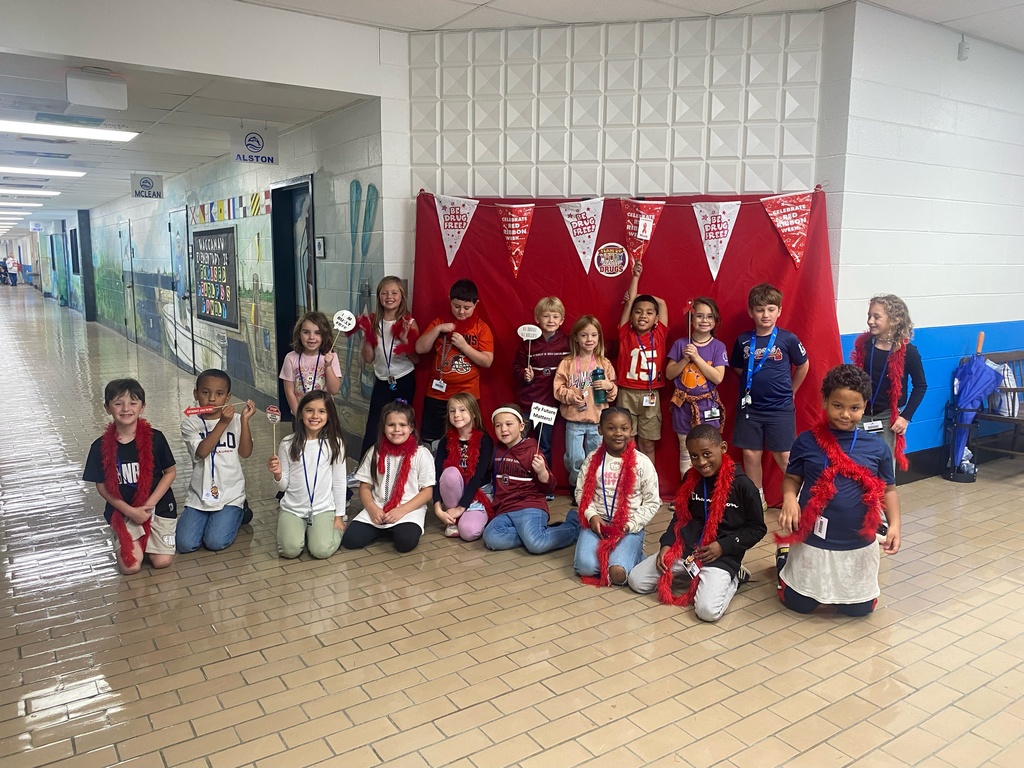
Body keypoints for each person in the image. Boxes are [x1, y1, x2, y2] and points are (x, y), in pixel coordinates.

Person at [776, 365, 902, 616]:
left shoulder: (876, 447)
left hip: (856, 542)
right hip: (813, 539)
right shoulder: (806, 441)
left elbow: (888, 489)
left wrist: (896, 524)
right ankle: (783, 557)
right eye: (837, 406)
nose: (845, 414)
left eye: (854, 408)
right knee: (799, 605)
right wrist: (790, 499)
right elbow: (791, 478)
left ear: (864, 406)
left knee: (858, 611)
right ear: (824, 401)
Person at [627, 424, 765, 622]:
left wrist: (723, 546)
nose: (701, 462)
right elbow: (680, 517)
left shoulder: (743, 485)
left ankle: (732, 579)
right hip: (686, 549)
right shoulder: (690, 479)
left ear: (723, 448)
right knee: (636, 581)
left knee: (707, 612)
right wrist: (667, 544)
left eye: (707, 454)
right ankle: (694, 574)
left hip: (721, 555)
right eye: (694, 456)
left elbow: (757, 528)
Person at [82, 379, 177, 574]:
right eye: (118, 403)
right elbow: (101, 486)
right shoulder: (99, 447)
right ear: (107, 408)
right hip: (123, 512)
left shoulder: (155, 439)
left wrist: (148, 506)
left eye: (133, 403)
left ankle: (148, 540)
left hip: (157, 508)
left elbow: (170, 472)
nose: (126, 408)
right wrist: (131, 512)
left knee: (162, 562)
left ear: (142, 407)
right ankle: (136, 540)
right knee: (131, 567)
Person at [729, 283, 809, 509]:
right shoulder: (742, 340)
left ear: (779, 311)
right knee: (751, 455)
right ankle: (757, 500)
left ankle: (801, 499)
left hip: (780, 408)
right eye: (760, 309)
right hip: (750, 408)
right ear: (751, 312)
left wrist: (791, 391)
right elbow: (737, 367)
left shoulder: (788, 339)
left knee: (784, 456)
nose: (765, 314)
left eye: (771, 309)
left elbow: (803, 366)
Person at [573, 407, 660, 586]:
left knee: (617, 574)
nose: (618, 433)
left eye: (624, 428)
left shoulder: (642, 463)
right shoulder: (592, 460)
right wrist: (592, 516)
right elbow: (581, 492)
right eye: (611, 428)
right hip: (597, 525)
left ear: (632, 430)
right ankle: (616, 553)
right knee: (586, 568)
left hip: (628, 527)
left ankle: (630, 552)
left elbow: (652, 502)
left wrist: (629, 526)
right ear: (600, 430)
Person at [482, 405, 581, 554]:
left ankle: (574, 526)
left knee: (536, 545)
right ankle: (531, 535)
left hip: (529, 506)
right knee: (491, 537)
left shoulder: (532, 451)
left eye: (509, 424)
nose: (503, 429)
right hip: (505, 508)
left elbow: (549, 487)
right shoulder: (497, 449)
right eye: (498, 425)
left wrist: (542, 472)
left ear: (521, 426)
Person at [176, 370, 255, 554]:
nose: (212, 398)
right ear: (196, 394)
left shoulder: (235, 420)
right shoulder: (190, 424)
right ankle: (216, 518)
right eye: (205, 392)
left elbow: (245, 452)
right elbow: (202, 452)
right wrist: (222, 423)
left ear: (227, 397)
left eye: (219, 394)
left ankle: (240, 509)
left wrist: (243, 420)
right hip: (200, 494)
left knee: (215, 542)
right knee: (185, 544)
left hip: (230, 494)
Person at [343, 400, 435, 553]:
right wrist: (372, 508)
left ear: (411, 427)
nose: (397, 429)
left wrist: (401, 511)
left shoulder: (421, 454)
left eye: (403, 425)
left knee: (405, 543)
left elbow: (427, 492)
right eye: (391, 425)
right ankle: (381, 529)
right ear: (383, 428)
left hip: (408, 510)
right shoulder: (375, 451)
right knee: (351, 540)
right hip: (378, 507)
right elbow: (365, 487)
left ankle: (395, 529)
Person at [850, 294, 927, 472]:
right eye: (869, 316)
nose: (870, 321)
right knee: (855, 461)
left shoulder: (909, 352)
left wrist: (905, 417)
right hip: (860, 413)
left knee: (884, 466)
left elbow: (920, 386)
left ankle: (883, 499)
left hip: (886, 417)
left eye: (876, 317)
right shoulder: (865, 344)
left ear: (893, 320)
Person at [268, 390, 347, 559]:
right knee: (290, 551)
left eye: (321, 411)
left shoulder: (335, 444)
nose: (315, 416)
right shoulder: (288, 443)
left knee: (321, 550)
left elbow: (340, 483)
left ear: (329, 416)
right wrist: (277, 474)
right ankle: (299, 530)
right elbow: (282, 486)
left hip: (322, 509)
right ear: (301, 413)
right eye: (309, 410)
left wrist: (339, 517)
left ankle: (324, 532)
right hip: (293, 509)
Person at [415, 279, 494, 445]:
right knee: (431, 441)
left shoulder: (481, 328)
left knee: (464, 440)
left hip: (467, 395)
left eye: (467, 308)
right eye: (456, 306)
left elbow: (487, 361)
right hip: (437, 394)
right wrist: (437, 330)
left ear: (476, 304)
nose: (461, 312)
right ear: (450, 299)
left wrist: (464, 347)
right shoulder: (439, 322)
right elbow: (420, 348)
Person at [355, 276, 420, 458]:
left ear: (402, 296)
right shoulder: (373, 322)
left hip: (404, 378)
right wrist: (367, 336)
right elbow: (368, 358)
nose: (389, 297)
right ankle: (365, 467)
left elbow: (416, 359)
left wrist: (406, 341)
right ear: (379, 297)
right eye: (384, 293)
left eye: (394, 293)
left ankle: (404, 462)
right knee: (375, 423)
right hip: (383, 379)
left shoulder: (408, 322)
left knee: (402, 422)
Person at [665, 297, 729, 480]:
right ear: (691, 320)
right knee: (686, 449)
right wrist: (685, 359)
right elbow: (669, 374)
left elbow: (718, 377)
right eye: (699, 316)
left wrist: (697, 358)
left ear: (715, 320)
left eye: (709, 317)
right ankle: (688, 492)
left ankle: (713, 491)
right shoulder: (680, 344)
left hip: (708, 406)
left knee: (710, 450)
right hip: (683, 407)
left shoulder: (718, 346)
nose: (704, 320)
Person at [554, 315, 618, 492]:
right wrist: (570, 396)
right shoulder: (567, 363)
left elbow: (613, 394)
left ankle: (592, 488)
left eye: (593, 335)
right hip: (574, 421)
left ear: (599, 338)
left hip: (597, 421)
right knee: (574, 458)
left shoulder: (604, 363)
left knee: (596, 457)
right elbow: (558, 389)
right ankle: (577, 487)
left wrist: (608, 385)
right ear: (575, 337)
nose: (589, 340)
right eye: (584, 335)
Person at [616, 260, 669, 464]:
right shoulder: (625, 334)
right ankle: (625, 483)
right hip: (626, 392)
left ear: (656, 319)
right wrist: (635, 279)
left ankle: (648, 486)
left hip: (650, 394)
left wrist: (640, 297)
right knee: (625, 442)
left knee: (647, 444)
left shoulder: (660, 335)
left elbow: (662, 303)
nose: (643, 315)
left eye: (649, 312)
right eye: (638, 312)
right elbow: (629, 306)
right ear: (631, 317)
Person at [512, 296, 569, 472]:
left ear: (562, 320)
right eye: (546, 316)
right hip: (528, 402)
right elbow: (516, 367)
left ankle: (545, 485)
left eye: (555, 316)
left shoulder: (567, 342)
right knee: (519, 444)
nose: (550, 320)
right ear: (537, 319)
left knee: (543, 446)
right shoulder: (527, 343)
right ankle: (520, 480)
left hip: (549, 405)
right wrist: (524, 374)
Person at [433, 393, 493, 541]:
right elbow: (435, 475)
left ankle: (465, 516)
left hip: (478, 494)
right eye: (452, 411)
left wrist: (462, 508)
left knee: (468, 533)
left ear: (473, 413)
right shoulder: (444, 441)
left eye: (462, 410)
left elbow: (477, 477)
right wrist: (437, 508)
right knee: (450, 474)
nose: (456, 415)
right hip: (454, 493)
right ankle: (453, 519)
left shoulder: (485, 441)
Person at [278, 311, 342, 417]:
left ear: (324, 335)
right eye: (306, 332)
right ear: (299, 334)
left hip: (325, 416)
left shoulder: (331, 357)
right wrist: (299, 415)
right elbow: (289, 392)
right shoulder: (291, 358)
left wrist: (328, 366)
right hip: (300, 414)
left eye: (318, 333)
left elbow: (333, 390)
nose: (311, 337)